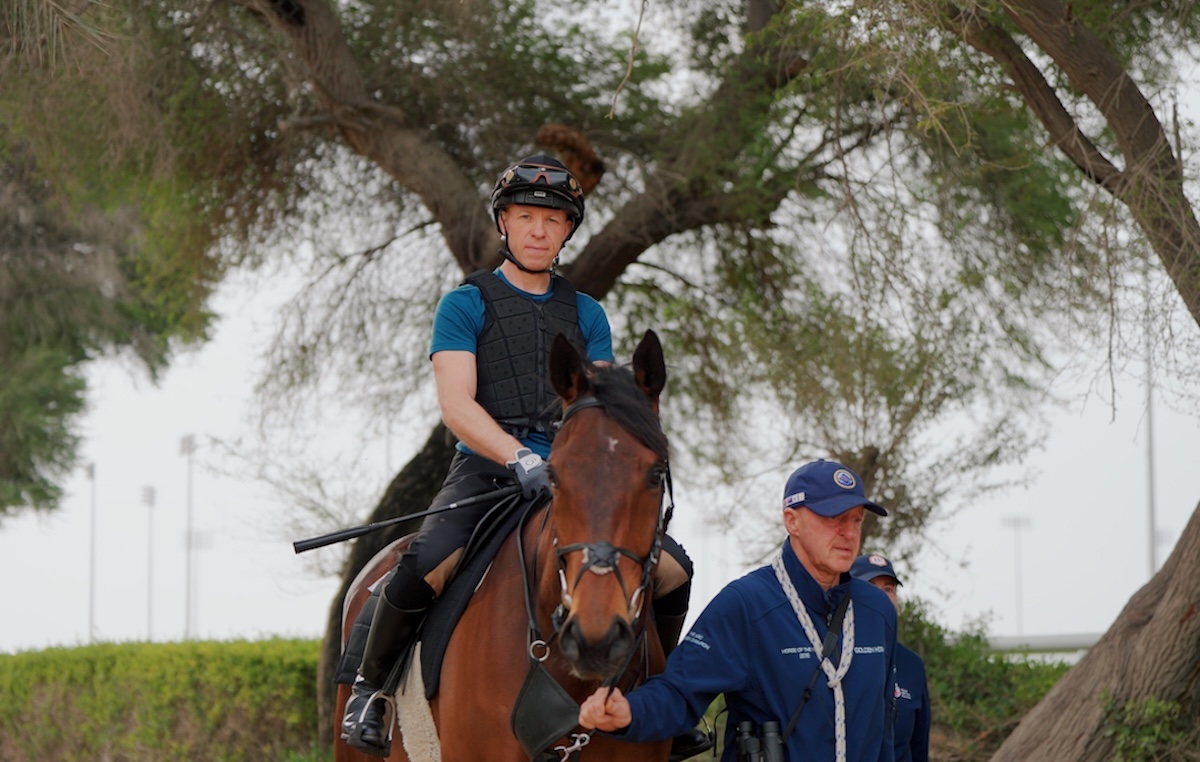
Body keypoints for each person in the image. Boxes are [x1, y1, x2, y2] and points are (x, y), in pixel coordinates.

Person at [340, 154, 706, 759]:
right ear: (505, 223)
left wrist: (568, 464)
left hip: (568, 475)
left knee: (673, 567)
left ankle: (660, 692)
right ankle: (369, 692)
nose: (539, 230)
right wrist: (518, 458)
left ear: (567, 231)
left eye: (553, 220)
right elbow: (456, 405)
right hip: (487, 467)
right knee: (425, 558)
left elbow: (600, 408)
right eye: (527, 216)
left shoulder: (587, 314)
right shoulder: (465, 304)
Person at [579, 459, 899, 762]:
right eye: (834, 518)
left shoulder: (877, 609)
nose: (849, 533)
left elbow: (884, 727)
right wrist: (630, 713)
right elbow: (679, 691)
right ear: (792, 521)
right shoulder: (746, 604)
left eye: (856, 519)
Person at [850, 553, 931, 762]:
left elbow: (919, 748)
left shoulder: (912, 665)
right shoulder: (835, 659)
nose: (881, 598)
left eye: (888, 589)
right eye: (870, 587)